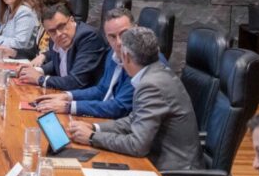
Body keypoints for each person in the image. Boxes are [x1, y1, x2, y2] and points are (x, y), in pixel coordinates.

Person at [69, 27, 202, 176]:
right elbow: (134, 119)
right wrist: (94, 127)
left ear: (127, 57)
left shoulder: (151, 85)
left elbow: (137, 146)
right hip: (157, 163)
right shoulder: (158, 73)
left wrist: (92, 137)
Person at [32, 7, 165, 119]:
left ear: (136, 28)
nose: (119, 42)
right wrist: (67, 96)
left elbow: (120, 107)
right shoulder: (112, 55)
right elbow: (101, 90)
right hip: (107, 118)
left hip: (121, 124)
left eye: (124, 33)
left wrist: (70, 106)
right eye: (112, 37)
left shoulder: (144, 60)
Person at [16, 4, 107, 91]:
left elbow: (77, 82)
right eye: (52, 31)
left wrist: (40, 79)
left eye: (62, 26)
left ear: (71, 20)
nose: (58, 34)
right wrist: (37, 70)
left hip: (86, 100)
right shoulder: (53, 40)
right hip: (63, 95)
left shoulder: (88, 37)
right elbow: (59, 63)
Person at [0, 0, 67, 61]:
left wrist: (42, 67)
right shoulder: (43, 21)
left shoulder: (59, 24)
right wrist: (14, 53)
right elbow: (34, 53)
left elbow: (57, 57)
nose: (30, 4)